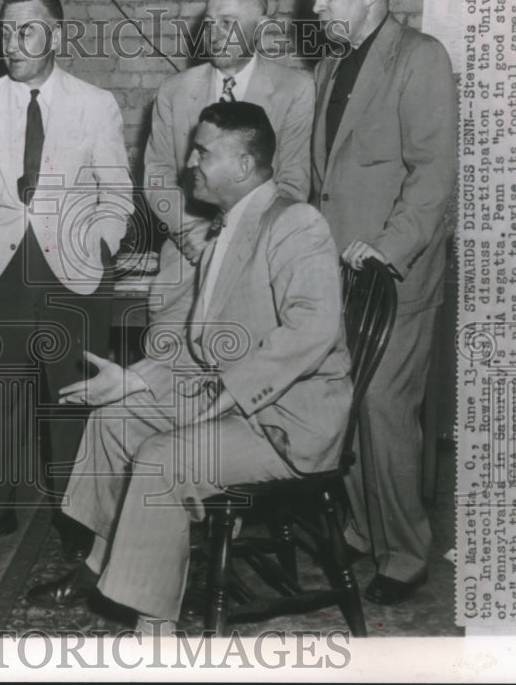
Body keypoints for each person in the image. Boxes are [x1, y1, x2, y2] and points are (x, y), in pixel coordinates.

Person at [26, 101, 352, 634]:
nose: (190, 163)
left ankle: (154, 631)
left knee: (161, 460)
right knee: (115, 420)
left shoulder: (297, 222)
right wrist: (133, 379)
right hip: (236, 403)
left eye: (203, 152)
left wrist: (231, 389)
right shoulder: (230, 226)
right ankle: (102, 563)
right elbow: (200, 342)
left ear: (244, 166)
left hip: (286, 423)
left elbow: (312, 329)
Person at [0, 0, 134, 559]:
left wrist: (98, 245)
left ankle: (78, 521)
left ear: (57, 33)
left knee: (73, 401)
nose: (12, 42)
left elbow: (116, 191)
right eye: (5, 31)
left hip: (72, 275)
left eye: (26, 30)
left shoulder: (95, 103)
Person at [308, 0, 456, 604]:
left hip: (394, 272)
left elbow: (433, 176)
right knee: (346, 399)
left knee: (383, 403)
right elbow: (326, 180)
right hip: (336, 267)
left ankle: (404, 554)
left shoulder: (419, 58)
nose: (315, 3)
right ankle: (364, 534)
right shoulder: (331, 68)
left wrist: (389, 249)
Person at [143, 0, 314, 327]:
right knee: (166, 372)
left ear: (262, 28)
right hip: (185, 265)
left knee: (246, 373)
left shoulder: (295, 89)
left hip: (258, 264)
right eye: (209, 23)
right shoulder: (173, 92)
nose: (215, 33)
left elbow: (293, 181)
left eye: (228, 23)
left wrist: (233, 238)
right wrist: (189, 232)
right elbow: (156, 175)